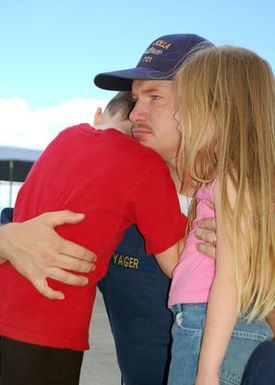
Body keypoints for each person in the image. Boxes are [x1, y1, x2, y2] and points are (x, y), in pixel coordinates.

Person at [0, 91, 187, 385]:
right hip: (50, 325)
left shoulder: (65, 137)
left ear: (99, 115)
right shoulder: (144, 163)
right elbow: (178, 264)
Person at [167, 46, 275, 385]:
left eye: (185, 107)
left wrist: (207, 371)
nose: (178, 119)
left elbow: (227, 280)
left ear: (218, 109)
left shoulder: (230, 179)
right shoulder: (232, 177)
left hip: (208, 328)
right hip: (216, 324)